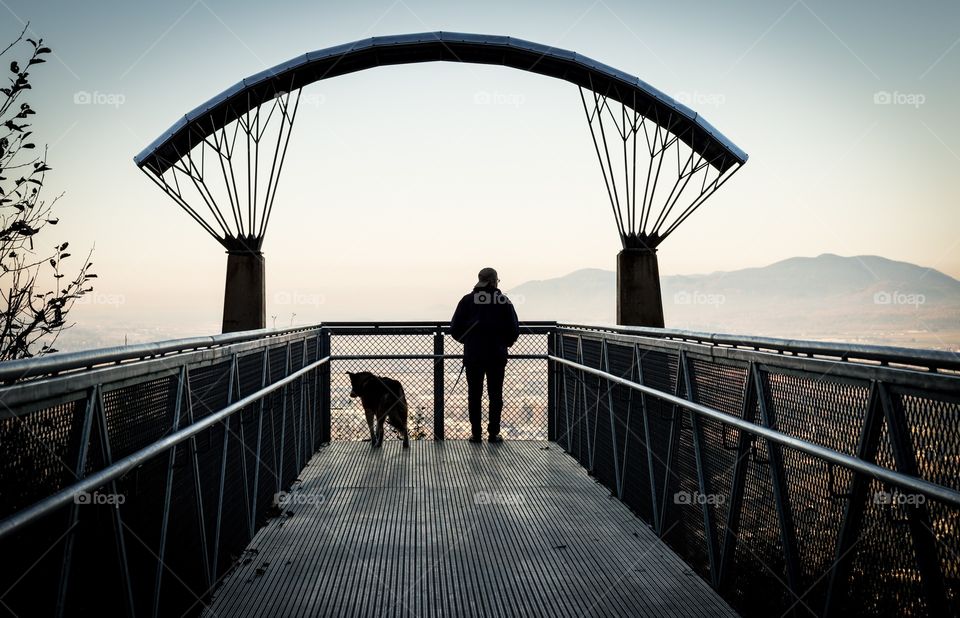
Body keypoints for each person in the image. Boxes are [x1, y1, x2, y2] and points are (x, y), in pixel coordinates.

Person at [450, 267, 520, 443]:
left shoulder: (467, 301)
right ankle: (493, 433)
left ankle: (476, 434)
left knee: (474, 395)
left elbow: (454, 329)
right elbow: (514, 328)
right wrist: (505, 343)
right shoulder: (503, 301)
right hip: (496, 356)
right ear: (493, 281)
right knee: (495, 395)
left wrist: (468, 342)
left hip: (473, 356)